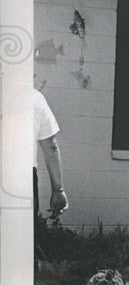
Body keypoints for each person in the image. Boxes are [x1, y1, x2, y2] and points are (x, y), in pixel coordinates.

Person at [33, 88, 68, 240]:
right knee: (20, 240)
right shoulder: (34, 98)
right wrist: (58, 190)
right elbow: (50, 146)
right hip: (21, 177)